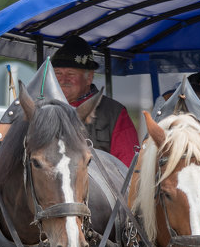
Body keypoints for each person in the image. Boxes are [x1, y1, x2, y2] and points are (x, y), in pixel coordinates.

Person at [51, 36, 138, 166]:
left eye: (71, 74)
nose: (63, 80)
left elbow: (128, 168)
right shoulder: (43, 110)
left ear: (89, 77)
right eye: (57, 73)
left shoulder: (114, 113)